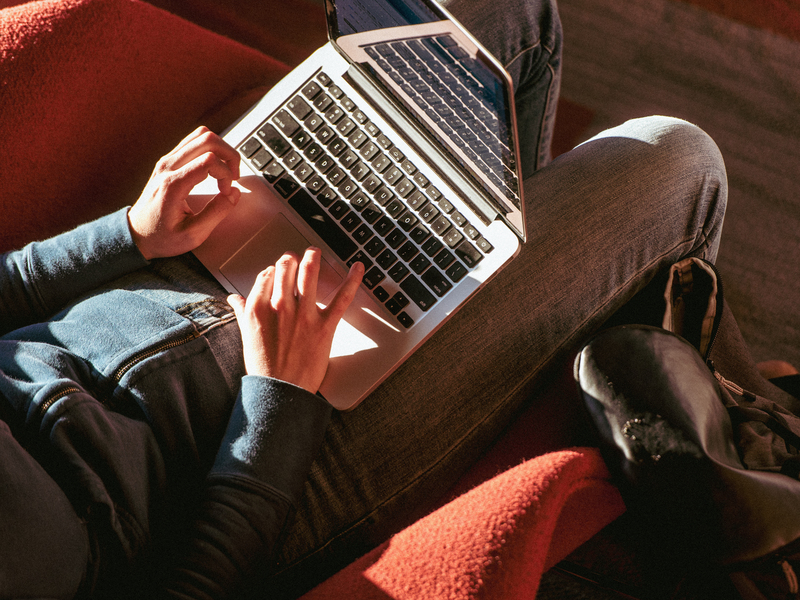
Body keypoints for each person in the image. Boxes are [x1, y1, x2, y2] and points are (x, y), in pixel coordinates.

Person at [0, 0, 728, 598]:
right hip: (280, 461)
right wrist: (277, 398)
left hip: (171, 278)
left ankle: (499, 271)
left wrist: (129, 234)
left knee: (507, 16)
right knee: (679, 160)